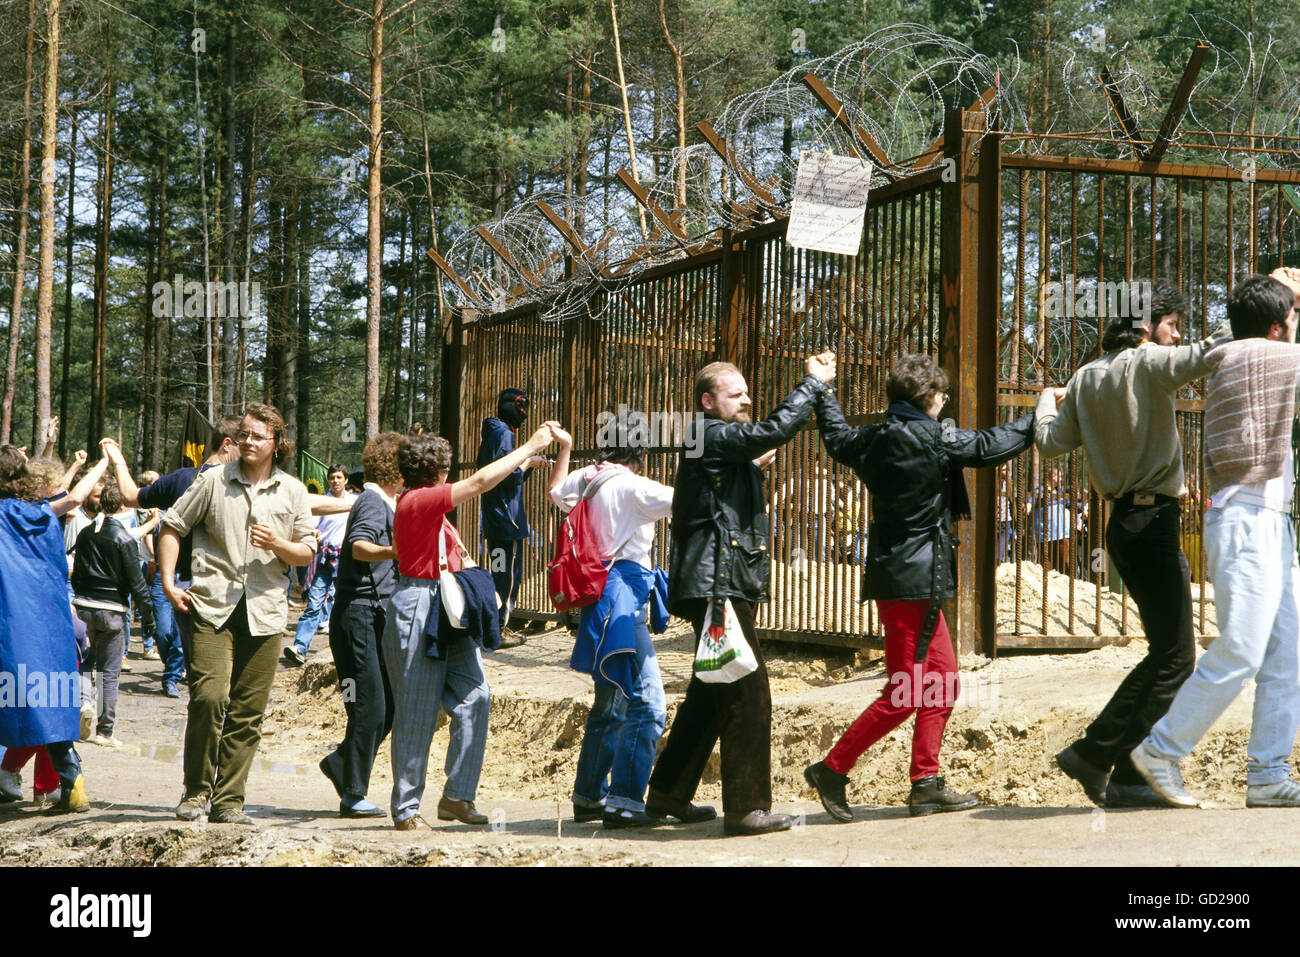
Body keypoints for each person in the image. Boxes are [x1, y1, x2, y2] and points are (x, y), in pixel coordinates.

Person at [803, 355, 1036, 821]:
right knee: (906, 691)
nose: (944, 400)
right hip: (912, 579)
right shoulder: (932, 437)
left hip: (903, 576)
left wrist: (824, 392)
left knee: (942, 683)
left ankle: (925, 783)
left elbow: (835, 437)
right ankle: (832, 768)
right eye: (942, 393)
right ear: (928, 397)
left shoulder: (871, 438)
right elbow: (988, 446)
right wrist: (1040, 415)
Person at [1036, 281, 1231, 807]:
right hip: (1154, 523)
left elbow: (1051, 445)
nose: (1178, 335)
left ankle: (1124, 775)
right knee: (1175, 659)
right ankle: (1095, 754)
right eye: (1172, 325)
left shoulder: (1082, 379)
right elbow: (1211, 352)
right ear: (1147, 326)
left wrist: (1042, 403)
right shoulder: (1147, 362)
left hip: (1121, 526)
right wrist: (1266, 303)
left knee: (1167, 653)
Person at [646, 353, 836, 836]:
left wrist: (749, 465)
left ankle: (667, 793)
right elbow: (768, 432)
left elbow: (727, 484)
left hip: (719, 581)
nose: (748, 399)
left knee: (713, 688)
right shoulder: (708, 433)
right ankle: (747, 807)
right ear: (708, 402)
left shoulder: (710, 441)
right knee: (746, 689)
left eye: (748, 392)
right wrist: (811, 385)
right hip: (718, 586)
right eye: (737, 395)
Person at [1131, 272, 1300, 808]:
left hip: (1269, 521)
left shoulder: (1235, 352)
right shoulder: (1271, 356)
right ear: (1278, 327)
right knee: (1242, 652)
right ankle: (1161, 749)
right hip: (1248, 522)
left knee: (1287, 653)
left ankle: (1268, 774)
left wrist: (1283, 299)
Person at [385, 424, 558, 831]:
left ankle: (457, 796)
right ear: (440, 472)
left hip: (446, 608)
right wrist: (530, 445)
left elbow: (486, 481)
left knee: (476, 696)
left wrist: (524, 462)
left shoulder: (428, 508)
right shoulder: (420, 500)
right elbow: (481, 481)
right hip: (419, 605)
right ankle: (406, 809)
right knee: (417, 712)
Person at [158, 404, 317, 825]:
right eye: (243, 434)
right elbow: (172, 526)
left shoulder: (293, 491)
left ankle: (228, 802)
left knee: (248, 712)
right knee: (209, 699)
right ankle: (195, 793)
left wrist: (279, 544)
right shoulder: (212, 480)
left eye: (257, 436)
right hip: (211, 607)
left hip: (265, 613)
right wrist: (169, 583)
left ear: (277, 444)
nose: (247, 441)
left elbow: (306, 550)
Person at [548, 415, 674, 829]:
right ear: (639, 454)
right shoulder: (634, 487)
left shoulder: (587, 477)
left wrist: (565, 448)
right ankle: (624, 801)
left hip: (595, 595)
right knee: (647, 702)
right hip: (625, 594)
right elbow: (688, 499)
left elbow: (554, 490)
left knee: (611, 701)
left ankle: (587, 797)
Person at [0, 443, 115, 813]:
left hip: (9, 621)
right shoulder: (40, 512)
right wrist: (104, 463)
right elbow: (78, 496)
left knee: (14, 699)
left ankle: (12, 774)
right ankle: (72, 780)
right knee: (47, 699)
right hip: (49, 623)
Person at [318, 433, 403, 817]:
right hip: (358, 616)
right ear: (393, 469)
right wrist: (394, 551)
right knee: (368, 706)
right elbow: (358, 545)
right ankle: (352, 793)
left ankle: (340, 762)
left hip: (374, 616)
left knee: (386, 708)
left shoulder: (384, 501)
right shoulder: (371, 501)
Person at [70, 478, 157, 748]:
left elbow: (76, 574)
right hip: (112, 611)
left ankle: (84, 704)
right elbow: (137, 583)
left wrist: (81, 598)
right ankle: (105, 731)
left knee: (85, 662)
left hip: (84, 608)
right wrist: (149, 618)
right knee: (109, 671)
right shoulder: (123, 538)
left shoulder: (85, 534)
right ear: (122, 506)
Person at [476, 388, 548, 646]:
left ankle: (493, 626)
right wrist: (530, 461)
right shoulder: (504, 433)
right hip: (509, 521)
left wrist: (528, 464)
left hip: (495, 517)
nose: (525, 412)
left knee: (497, 572)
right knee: (507, 575)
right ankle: (499, 628)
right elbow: (510, 474)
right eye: (522, 406)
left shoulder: (492, 432)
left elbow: (502, 475)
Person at [283, 464, 354, 666]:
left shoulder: (354, 502)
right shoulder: (322, 503)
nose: (335, 481)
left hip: (346, 560)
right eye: (332, 477)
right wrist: (315, 535)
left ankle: (346, 649)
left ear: (346, 480)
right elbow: (311, 528)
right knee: (314, 603)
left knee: (345, 604)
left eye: (339, 477)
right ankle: (300, 647)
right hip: (325, 559)